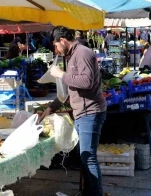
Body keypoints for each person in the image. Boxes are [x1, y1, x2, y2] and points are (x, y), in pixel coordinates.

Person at [39, 26, 107, 196]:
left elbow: (86, 82)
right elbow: (67, 92)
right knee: (84, 156)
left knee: (88, 156)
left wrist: (61, 74)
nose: (55, 50)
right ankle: (88, 191)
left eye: (55, 46)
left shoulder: (83, 53)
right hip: (82, 112)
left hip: (91, 112)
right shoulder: (71, 56)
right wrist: (50, 109)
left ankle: (95, 194)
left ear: (62, 40)